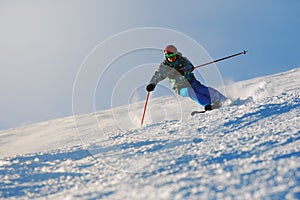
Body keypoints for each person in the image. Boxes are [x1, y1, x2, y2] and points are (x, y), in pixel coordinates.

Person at [146, 44, 228, 111]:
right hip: (179, 87)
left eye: (173, 55)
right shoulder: (165, 66)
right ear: (166, 56)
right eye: (169, 56)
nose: (171, 58)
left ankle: (222, 99)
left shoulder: (182, 60)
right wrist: (152, 84)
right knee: (190, 92)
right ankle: (208, 104)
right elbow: (158, 75)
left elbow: (190, 66)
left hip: (191, 81)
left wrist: (184, 70)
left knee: (202, 89)